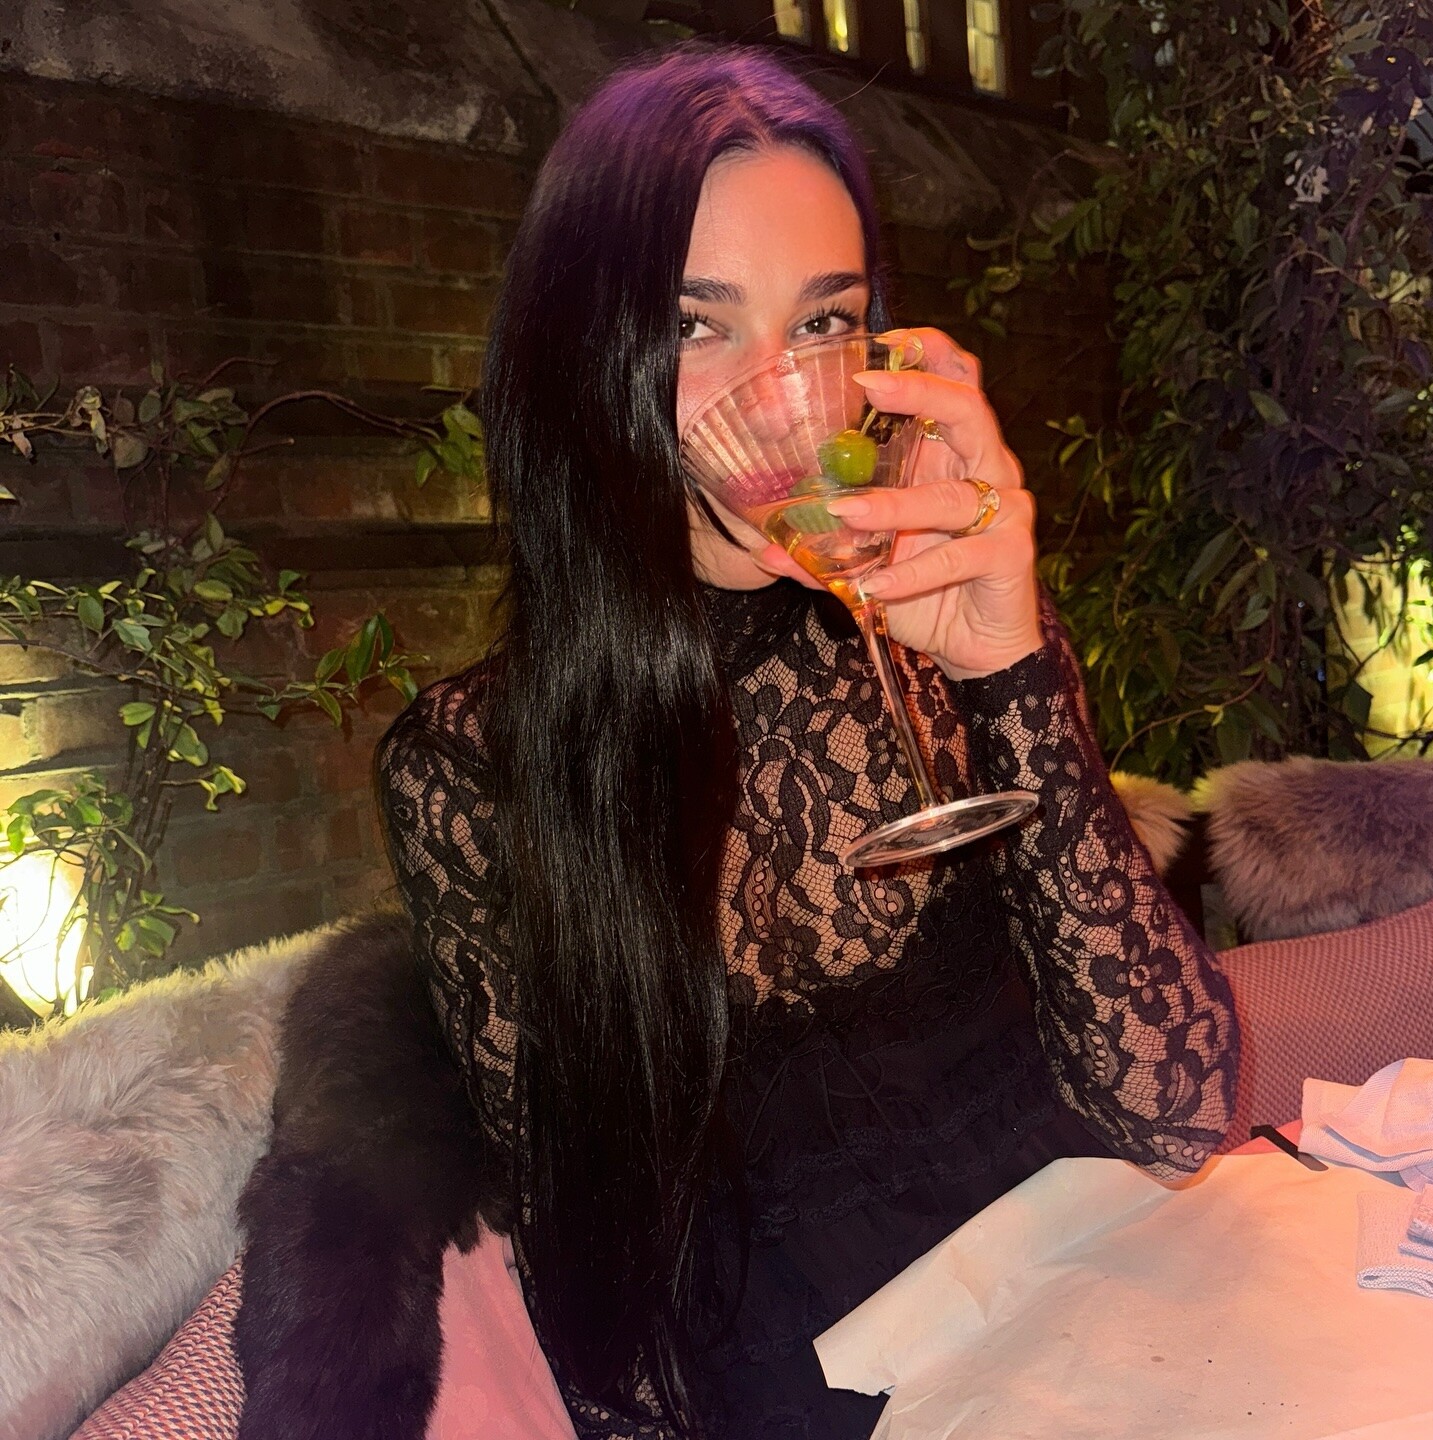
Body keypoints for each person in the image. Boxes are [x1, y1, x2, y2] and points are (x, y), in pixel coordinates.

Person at [245, 44, 1239, 1440]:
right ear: (590, 357)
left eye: (826, 323)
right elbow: (600, 1285)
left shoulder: (940, 605)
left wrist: (1012, 670)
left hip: (1112, 1297)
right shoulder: (473, 768)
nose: (782, 401)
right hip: (832, 1387)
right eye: (698, 326)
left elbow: (1180, 1111)